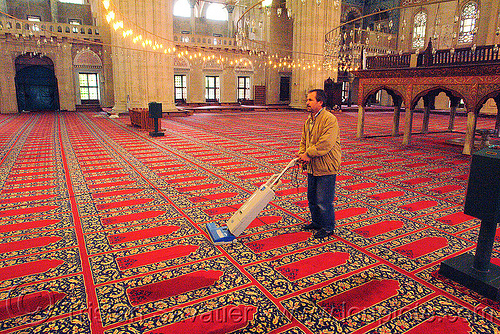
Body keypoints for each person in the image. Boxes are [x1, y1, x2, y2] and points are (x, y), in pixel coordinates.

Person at [297, 89, 341, 239]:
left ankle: (328, 227)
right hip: (312, 166)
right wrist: (302, 154)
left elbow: (326, 143)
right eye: (307, 100)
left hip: (326, 166)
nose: (307, 102)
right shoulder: (309, 120)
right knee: (312, 198)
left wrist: (308, 154)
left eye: (310, 100)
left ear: (320, 102)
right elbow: (304, 141)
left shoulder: (330, 119)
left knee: (324, 200)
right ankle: (316, 222)